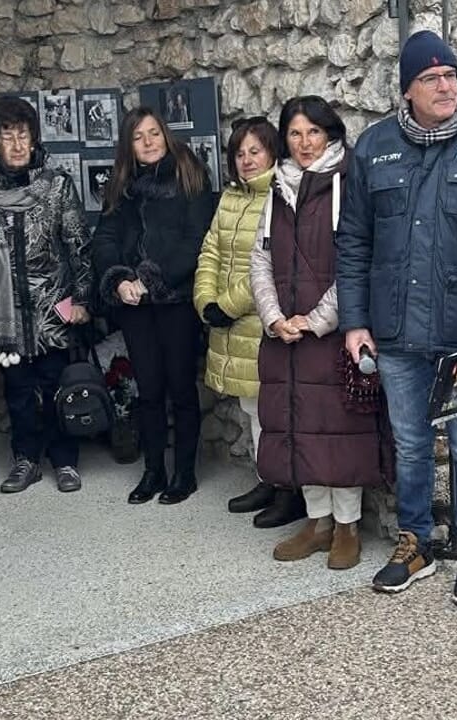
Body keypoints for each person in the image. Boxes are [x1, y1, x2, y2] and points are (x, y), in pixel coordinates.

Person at [336, 31, 457, 603]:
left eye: (452, 76)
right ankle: (416, 542)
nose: (446, 87)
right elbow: (354, 240)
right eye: (432, 78)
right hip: (397, 331)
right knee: (409, 443)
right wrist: (355, 320)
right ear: (407, 89)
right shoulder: (374, 146)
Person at [252, 96, 392, 570]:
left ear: (330, 134)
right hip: (285, 334)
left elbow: (356, 258)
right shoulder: (277, 187)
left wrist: (315, 320)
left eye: (313, 132)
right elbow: (261, 257)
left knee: (338, 431)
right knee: (300, 427)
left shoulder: (348, 182)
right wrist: (274, 317)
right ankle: (318, 522)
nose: (304, 142)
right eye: (294, 133)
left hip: (330, 333)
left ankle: (348, 525)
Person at [0, 96, 95, 494]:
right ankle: (26, 459)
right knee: (16, 391)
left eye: (23, 135)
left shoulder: (55, 184)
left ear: (33, 138)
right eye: (7, 136)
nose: (16, 144)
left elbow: (79, 243)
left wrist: (81, 299)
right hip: (3, 310)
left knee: (57, 386)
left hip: (53, 305)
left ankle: (65, 460)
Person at [92, 107, 216, 505]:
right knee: (147, 389)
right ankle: (152, 471)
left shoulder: (190, 175)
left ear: (165, 135)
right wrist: (119, 278)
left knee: (180, 386)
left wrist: (150, 279)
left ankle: (184, 472)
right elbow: (106, 236)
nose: (148, 142)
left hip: (174, 298)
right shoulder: (121, 184)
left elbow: (196, 240)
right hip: (133, 303)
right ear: (128, 145)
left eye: (154, 133)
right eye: (138, 137)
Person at [193, 116, 300, 524]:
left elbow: (273, 265)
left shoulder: (282, 195)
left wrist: (229, 304)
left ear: (272, 151)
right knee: (251, 408)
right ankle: (266, 478)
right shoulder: (230, 198)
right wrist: (205, 300)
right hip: (229, 321)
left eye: (255, 151)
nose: (247, 160)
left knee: (276, 410)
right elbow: (210, 252)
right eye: (239, 153)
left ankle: (288, 491)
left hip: (261, 321)